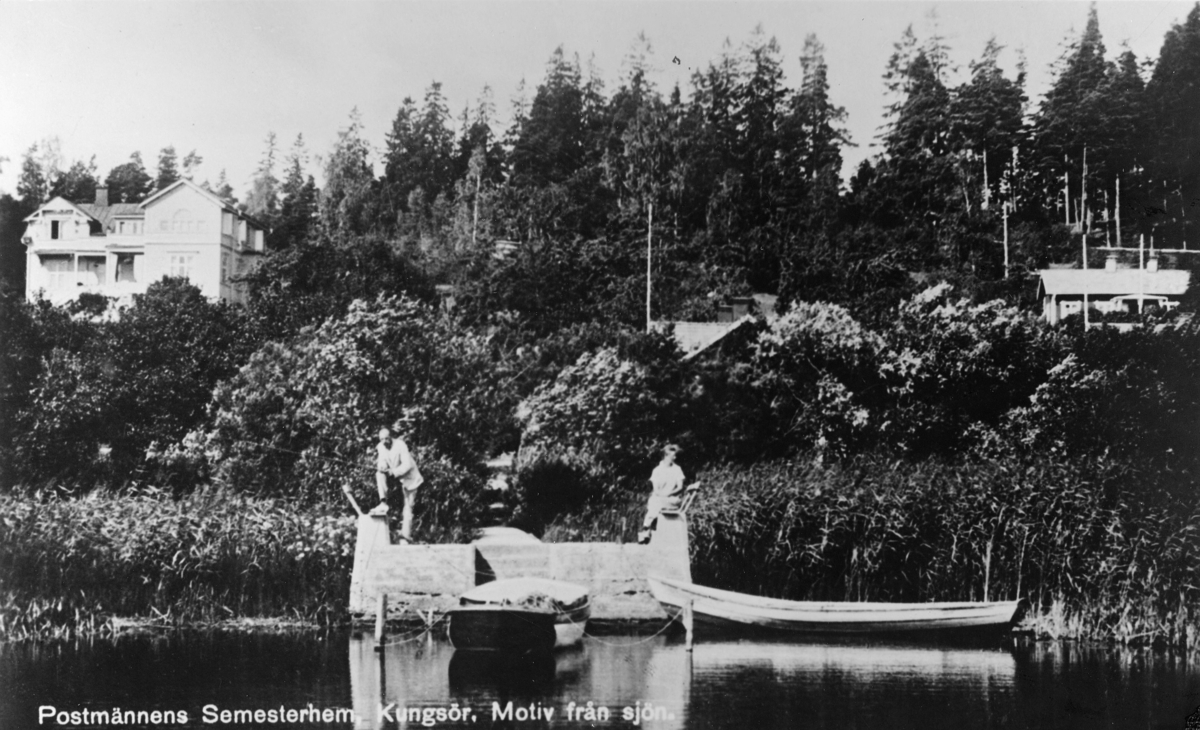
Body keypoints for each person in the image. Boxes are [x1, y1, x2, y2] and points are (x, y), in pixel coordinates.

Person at [370, 424, 424, 542]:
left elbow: (407, 465)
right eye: (382, 439)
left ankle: (406, 536)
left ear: (391, 437)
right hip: (399, 479)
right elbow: (382, 460)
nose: (384, 442)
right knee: (379, 474)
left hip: (411, 479)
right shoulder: (381, 446)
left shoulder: (400, 445)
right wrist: (382, 467)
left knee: (408, 507)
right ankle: (383, 502)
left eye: (386, 439)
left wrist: (393, 472)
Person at [638, 445, 695, 544]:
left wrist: (668, 493)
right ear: (666, 456)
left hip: (673, 499)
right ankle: (648, 529)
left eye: (675, 455)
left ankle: (646, 528)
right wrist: (662, 495)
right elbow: (656, 489)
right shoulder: (657, 470)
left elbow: (680, 487)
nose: (675, 458)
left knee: (655, 503)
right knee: (654, 501)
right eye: (673, 456)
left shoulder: (677, 469)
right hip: (660, 498)